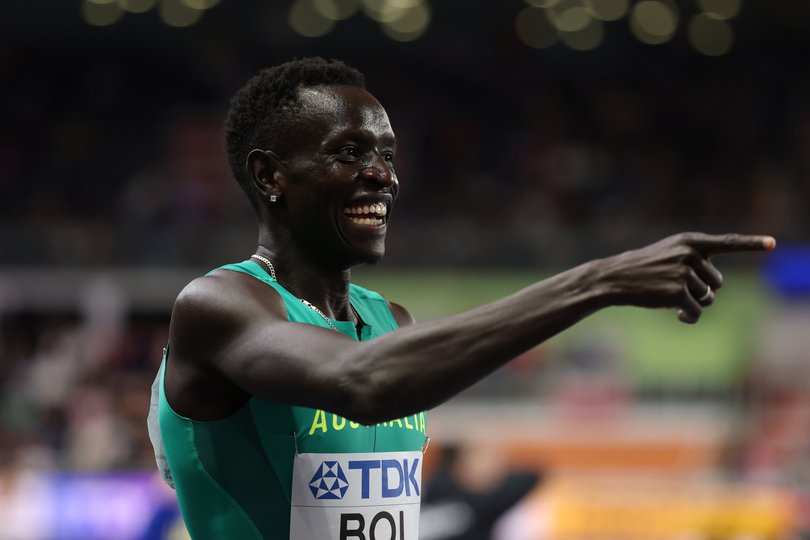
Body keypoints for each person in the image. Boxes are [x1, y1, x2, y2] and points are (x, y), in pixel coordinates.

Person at [147, 57, 776, 540]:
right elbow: (361, 384)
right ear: (269, 176)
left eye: (388, 156)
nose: (383, 175)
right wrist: (598, 282)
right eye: (348, 153)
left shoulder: (389, 321)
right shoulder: (219, 305)